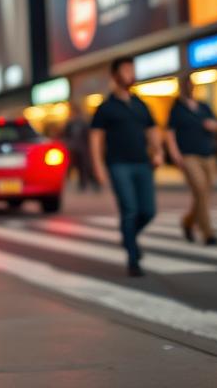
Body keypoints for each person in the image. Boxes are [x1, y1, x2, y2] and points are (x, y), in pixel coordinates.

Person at [90, 56, 164, 277]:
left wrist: (158, 152)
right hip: (118, 165)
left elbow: (152, 130)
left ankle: (128, 236)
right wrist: (98, 167)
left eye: (132, 69)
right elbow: (96, 139)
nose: (130, 73)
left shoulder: (141, 105)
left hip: (142, 163)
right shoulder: (105, 108)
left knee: (148, 211)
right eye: (125, 70)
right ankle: (133, 258)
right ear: (115, 76)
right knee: (129, 209)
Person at [165, 77, 217, 245]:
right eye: (186, 85)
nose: (190, 88)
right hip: (188, 155)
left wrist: (213, 125)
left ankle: (188, 222)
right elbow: (169, 133)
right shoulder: (177, 109)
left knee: (204, 193)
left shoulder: (203, 106)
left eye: (192, 85)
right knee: (200, 188)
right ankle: (208, 233)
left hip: (207, 153)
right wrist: (174, 154)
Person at [63, 100, 97, 192]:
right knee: (77, 167)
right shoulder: (70, 124)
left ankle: (93, 183)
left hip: (83, 148)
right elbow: (65, 135)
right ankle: (82, 184)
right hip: (73, 148)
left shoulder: (83, 122)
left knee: (85, 167)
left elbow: (88, 136)